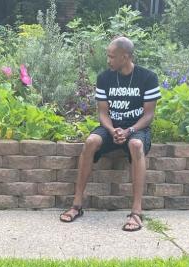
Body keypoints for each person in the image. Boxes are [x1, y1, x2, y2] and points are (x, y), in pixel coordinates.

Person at [60, 37, 161, 231]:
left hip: (137, 129)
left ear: (126, 57)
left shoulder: (147, 78)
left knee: (136, 145)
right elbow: (103, 113)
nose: (108, 60)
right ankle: (77, 205)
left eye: (112, 56)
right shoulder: (104, 78)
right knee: (90, 141)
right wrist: (111, 129)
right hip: (111, 129)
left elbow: (148, 115)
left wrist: (130, 130)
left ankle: (136, 212)